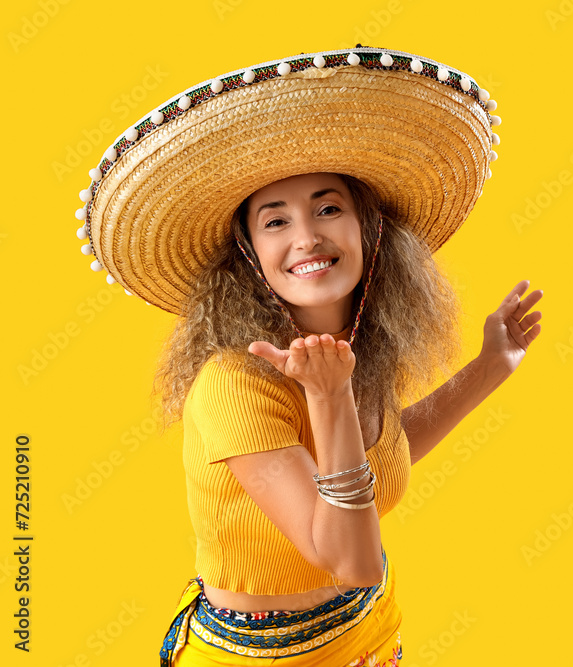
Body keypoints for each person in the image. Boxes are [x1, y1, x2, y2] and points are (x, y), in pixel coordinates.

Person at [73, 46, 542, 665]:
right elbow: (349, 559)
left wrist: (491, 366)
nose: (306, 237)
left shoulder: (357, 354)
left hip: (370, 637)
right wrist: (328, 397)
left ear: (367, 229)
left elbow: (381, 450)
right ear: (247, 254)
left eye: (328, 208)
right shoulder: (231, 384)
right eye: (275, 221)